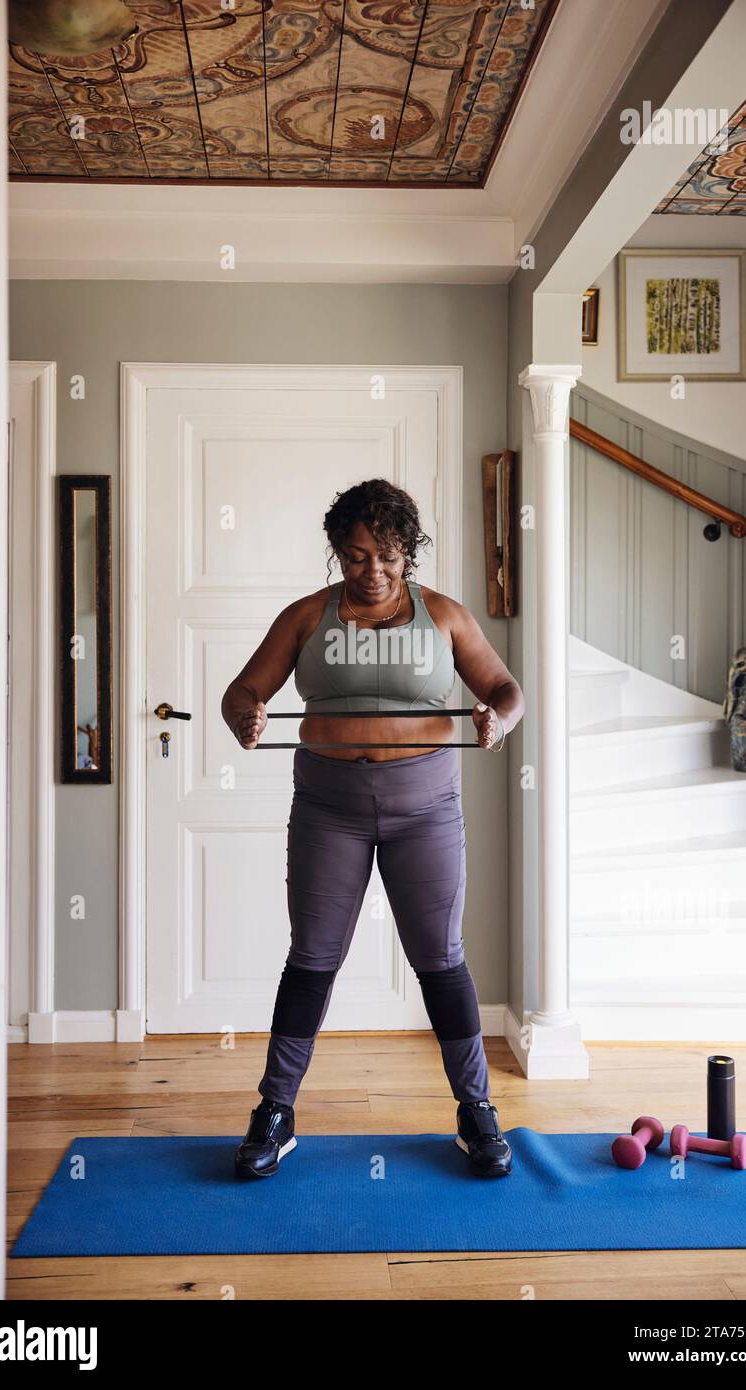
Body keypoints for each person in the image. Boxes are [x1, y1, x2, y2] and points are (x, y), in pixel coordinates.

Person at [220, 478, 525, 1179]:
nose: (372, 571)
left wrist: (496, 721)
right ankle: (275, 1111)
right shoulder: (306, 617)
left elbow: (505, 691)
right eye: (356, 556)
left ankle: (476, 1109)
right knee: (311, 957)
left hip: (426, 808)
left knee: (440, 959)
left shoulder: (444, 616)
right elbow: (243, 690)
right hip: (328, 809)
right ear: (337, 552)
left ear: (408, 552)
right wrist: (245, 717)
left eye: (387, 556)